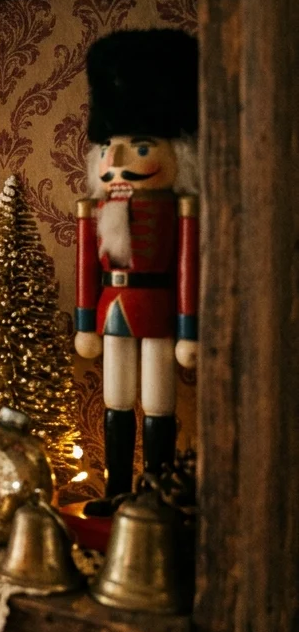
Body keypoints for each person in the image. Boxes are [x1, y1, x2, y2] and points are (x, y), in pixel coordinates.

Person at [74, 29, 199, 499]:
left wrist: (188, 330)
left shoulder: (180, 208)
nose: (120, 159)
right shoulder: (98, 207)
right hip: (112, 310)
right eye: (110, 148)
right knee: (117, 399)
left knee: (159, 402)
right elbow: (87, 267)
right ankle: (116, 490)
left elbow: (187, 269)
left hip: (157, 309)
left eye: (141, 147)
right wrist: (85, 323)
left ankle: (156, 494)